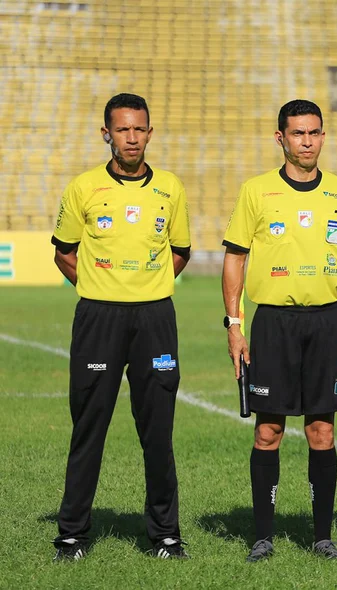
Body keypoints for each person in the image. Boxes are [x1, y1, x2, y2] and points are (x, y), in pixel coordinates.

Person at [222, 99, 337, 562]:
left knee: (322, 431)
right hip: (272, 324)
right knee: (268, 430)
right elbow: (235, 258)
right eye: (297, 134)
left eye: (314, 133)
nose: (306, 141)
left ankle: (322, 536)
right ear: (281, 139)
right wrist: (234, 325)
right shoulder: (256, 191)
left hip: (328, 323)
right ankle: (262, 536)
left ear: (323, 136)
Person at [50, 93, 192, 561]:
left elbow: (180, 252)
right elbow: (64, 252)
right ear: (106, 133)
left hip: (155, 318)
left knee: (158, 428)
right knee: (89, 426)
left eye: (140, 129)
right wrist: (99, 285)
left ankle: (165, 535)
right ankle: (71, 534)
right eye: (123, 129)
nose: (132, 137)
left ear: (150, 133)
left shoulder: (170, 187)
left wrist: (144, 287)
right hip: (98, 317)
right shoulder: (83, 187)